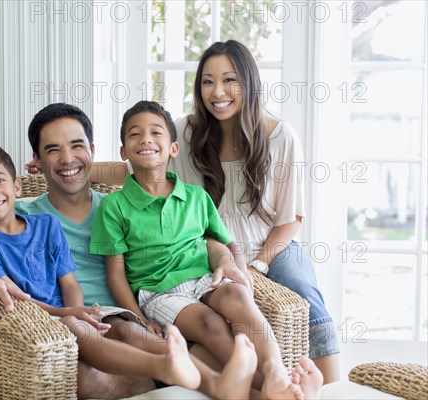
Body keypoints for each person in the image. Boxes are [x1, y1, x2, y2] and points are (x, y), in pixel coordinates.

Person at [49, 39, 340, 383]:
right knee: (213, 319)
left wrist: (257, 264)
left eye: (230, 80)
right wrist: (72, 165)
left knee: (305, 293)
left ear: (250, 83)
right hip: (200, 251)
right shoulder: (185, 132)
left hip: (270, 245)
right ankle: (260, 383)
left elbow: (290, 219)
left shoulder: (280, 137)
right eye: (207, 81)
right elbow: (135, 164)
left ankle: (332, 386)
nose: (218, 91)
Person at [0, 104, 260, 399]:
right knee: (83, 374)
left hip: (136, 322)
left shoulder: (121, 208)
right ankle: (177, 378)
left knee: (144, 335)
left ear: (92, 150)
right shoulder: (23, 218)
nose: (67, 158)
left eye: (77, 146)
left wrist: (230, 259)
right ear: (37, 162)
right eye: (53, 150)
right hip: (71, 336)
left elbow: (199, 239)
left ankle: (261, 387)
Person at [90, 100, 312, 400]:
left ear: (173, 149)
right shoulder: (113, 206)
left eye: (156, 133)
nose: (145, 139)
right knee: (212, 324)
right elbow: (115, 274)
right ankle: (266, 390)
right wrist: (139, 319)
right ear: (123, 153)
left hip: (204, 278)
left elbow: (226, 242)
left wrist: (235, 266)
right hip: (159, 291)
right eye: (134, 134)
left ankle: (276, 372)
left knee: (238, 295)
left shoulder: (196, 197)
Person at [0, 141, 203, 392]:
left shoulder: (46, 225)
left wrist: (77, 310)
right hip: (35, 323)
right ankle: (162, 368)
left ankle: (202, 374)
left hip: (70, 312)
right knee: (77, 328)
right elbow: (17, 299)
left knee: (120, 326)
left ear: (16, 186)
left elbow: (70, 282)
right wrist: (67, 315)